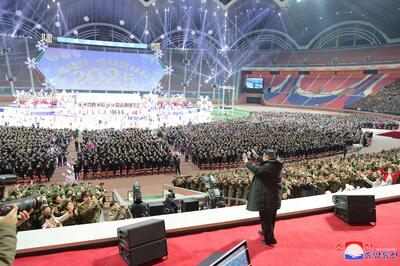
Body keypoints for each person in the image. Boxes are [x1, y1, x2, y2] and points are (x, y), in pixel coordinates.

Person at [243, 149, 283, 246]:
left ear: (267, 157)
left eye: (263, 156)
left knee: (265, 219)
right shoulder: (276, 164)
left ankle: (269, 240)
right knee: (271, 217)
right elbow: (266, 164)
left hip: (267, 198)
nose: (263, 157)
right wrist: (257, 157)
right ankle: (267, 232)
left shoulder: (268, 167)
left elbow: (258, 170)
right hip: (273, 197)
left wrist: (246, 162)